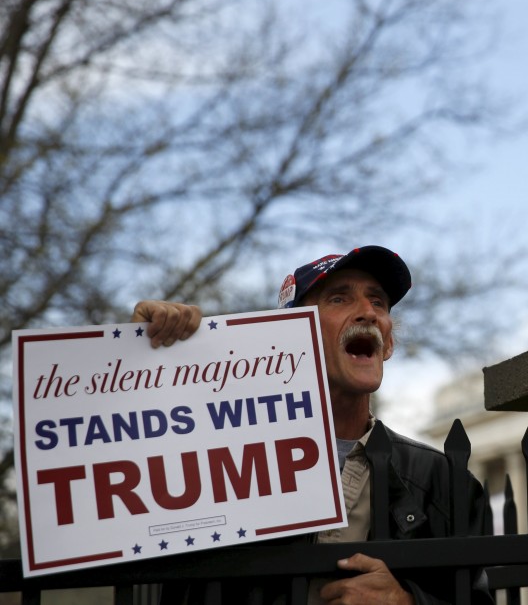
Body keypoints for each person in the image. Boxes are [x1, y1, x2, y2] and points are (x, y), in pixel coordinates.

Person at [132, 246, 492, 605]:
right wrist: (144, 357)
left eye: (378, 302)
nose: (367, 313)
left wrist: (406, 602)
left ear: (389, 344)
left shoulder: (444, 482)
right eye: (338, 299)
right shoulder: (217, 463)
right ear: (288, 335)